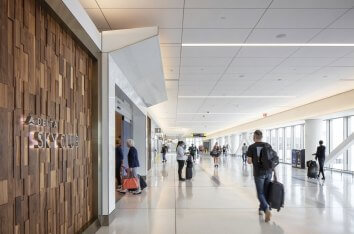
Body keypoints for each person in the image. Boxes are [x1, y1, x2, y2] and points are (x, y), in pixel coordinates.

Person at [247, 130, 272, 222]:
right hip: (269, 172)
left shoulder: (251, 147)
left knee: (260, 193)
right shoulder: (268, 145)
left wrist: (254, 159)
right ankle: (261, 208)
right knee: (265, 192)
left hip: (258, 173)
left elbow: (249, 161)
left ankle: (266, 209)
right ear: (261, 137)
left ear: (254, 137)